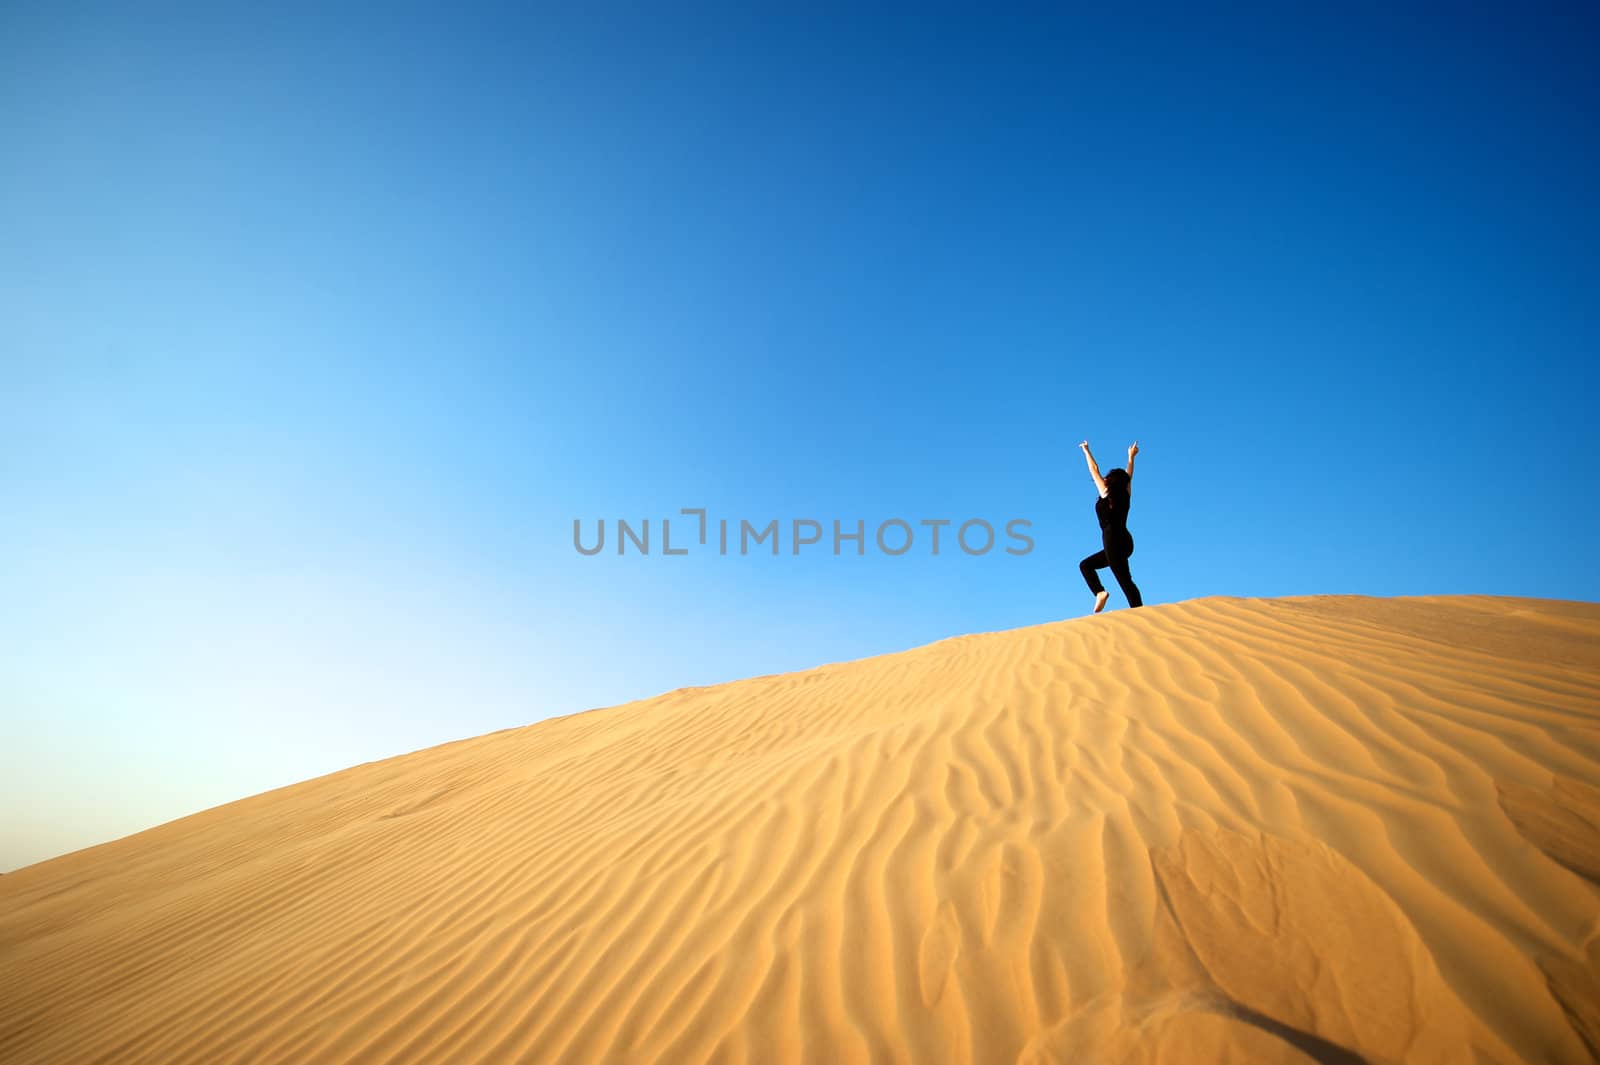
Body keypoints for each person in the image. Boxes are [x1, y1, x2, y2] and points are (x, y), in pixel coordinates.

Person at [1077, 440, 1143, 613]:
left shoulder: (1106, 493)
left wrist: (1086, 450)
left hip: (1112, 540)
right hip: (1126, 542)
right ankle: (1101, 593)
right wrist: (1131, 457)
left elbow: (1094, 470)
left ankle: (1137, 611)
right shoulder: (1126, 495)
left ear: (1111, 481)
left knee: (1124, 580)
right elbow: (1129, 477)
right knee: (1087, 565)